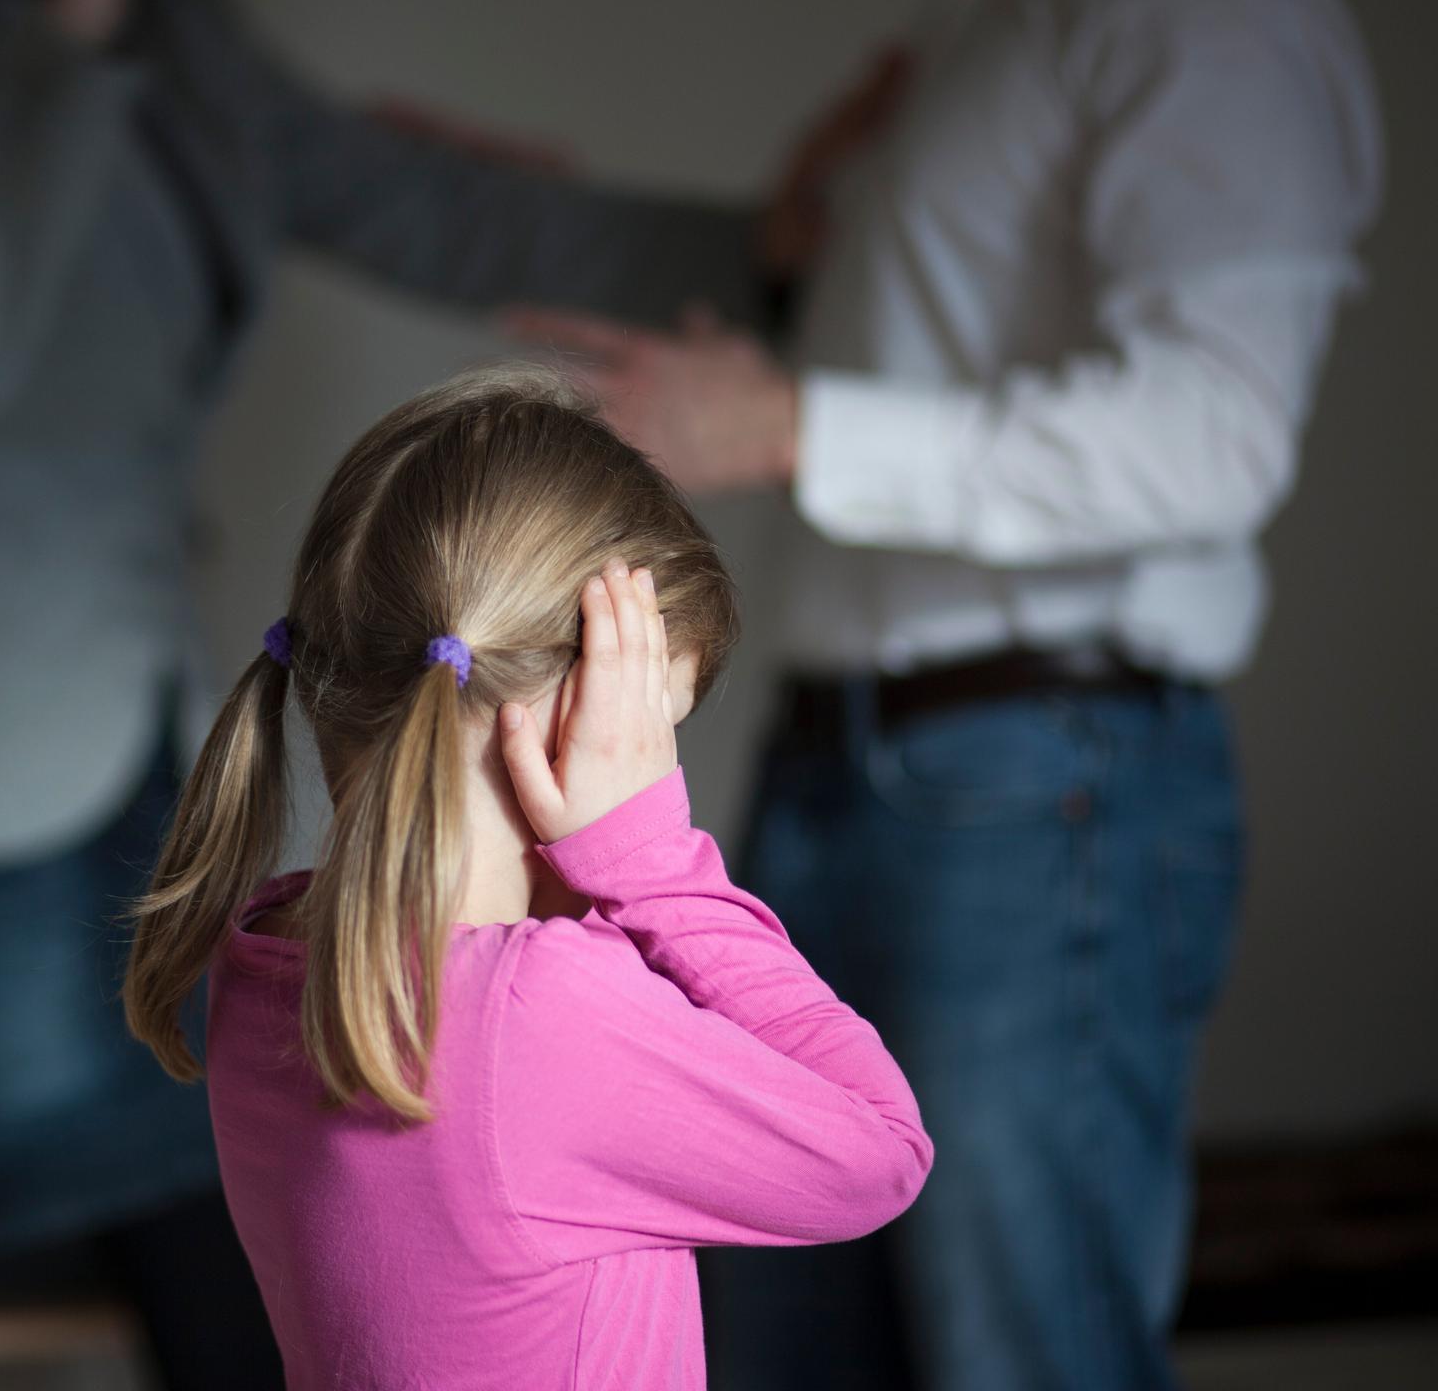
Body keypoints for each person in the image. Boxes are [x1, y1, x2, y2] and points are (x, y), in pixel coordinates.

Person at [0, 0, 783, 1387]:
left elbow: (434, 207)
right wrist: (68, 22)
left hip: (123, 762)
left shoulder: (186, 32)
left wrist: (802, 253)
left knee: (237, 1290)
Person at [509, 0, 1383, 1387]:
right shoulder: (996, 4)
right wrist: (811, 269)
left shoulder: (1213, 1)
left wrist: (794, 423)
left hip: (1038, 786)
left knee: (1021, 1351)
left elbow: (1218, 431)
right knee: (781, 1347)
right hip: (850, 761)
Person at [121, 368, 933, 1390]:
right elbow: (883, 1152)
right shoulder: (536, 1015)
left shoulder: (262, 960)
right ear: (567, 725)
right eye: (653, 735)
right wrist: (651, 861)